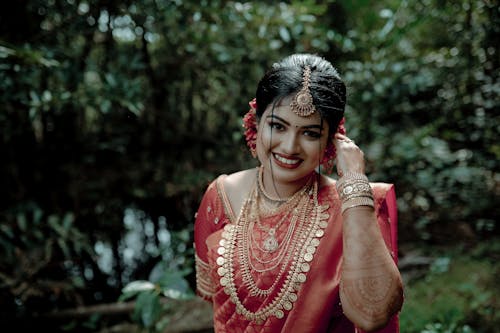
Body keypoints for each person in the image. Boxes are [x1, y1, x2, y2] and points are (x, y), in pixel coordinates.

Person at [193, 53, 404, 333]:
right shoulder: (220, 197)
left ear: (333, 140)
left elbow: (373, 315)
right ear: (255, 122)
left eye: (310, 134)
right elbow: (217, 305)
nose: (290, 147)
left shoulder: (355, 205)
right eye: (277, 126)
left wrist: (354, 182)